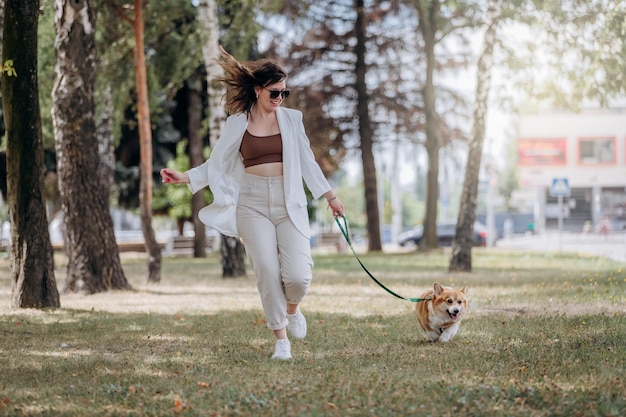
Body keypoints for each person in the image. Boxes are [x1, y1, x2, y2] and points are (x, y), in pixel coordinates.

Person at [160, 47, 345, 360]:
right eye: (274, 92)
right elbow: (215, 164)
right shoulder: (237, 123)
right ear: (258, 90)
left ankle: (293, 309)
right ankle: (280, 340)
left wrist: (331, 196)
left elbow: (307, 161)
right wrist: (184, 177)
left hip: (289, 202)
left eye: (284, 92)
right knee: (267, 272)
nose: (280, 98)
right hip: (252, 202)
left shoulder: (291, 119)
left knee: (298, 277)